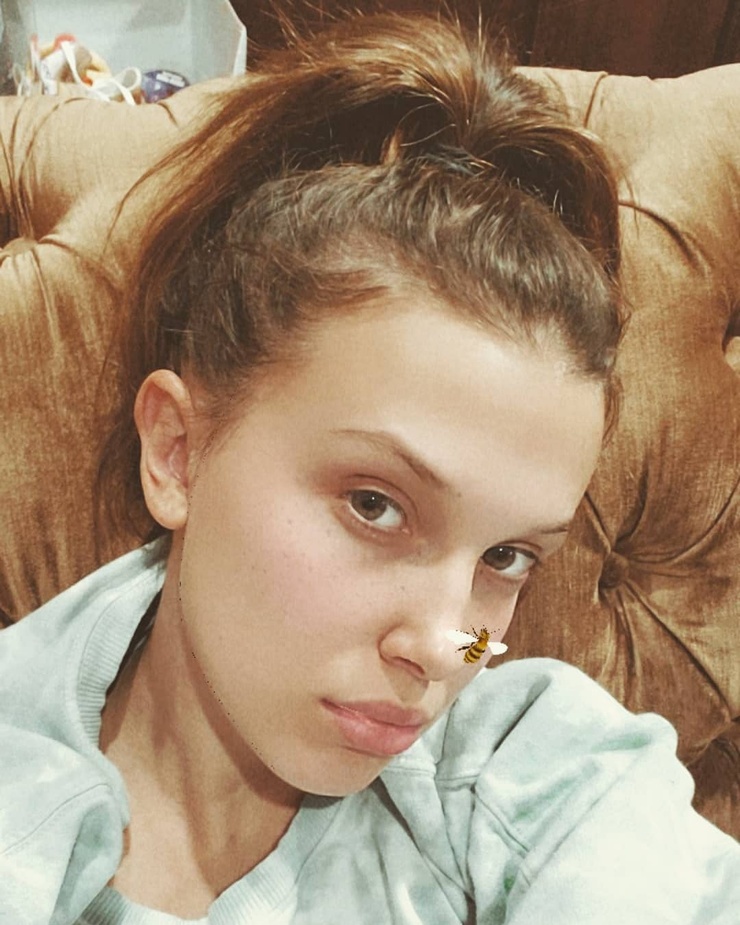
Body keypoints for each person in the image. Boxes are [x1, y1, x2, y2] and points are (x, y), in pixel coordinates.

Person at [0, 13, 738, 925]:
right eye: (376, 505)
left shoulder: (532, 769)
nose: (444, 649)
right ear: (178, 451)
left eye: (506, 556)